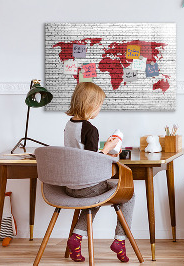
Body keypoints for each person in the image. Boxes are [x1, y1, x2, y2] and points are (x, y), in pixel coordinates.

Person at [64, 82, 134, 263]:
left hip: (70, 186)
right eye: (99, 105)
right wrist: (109, 148)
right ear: (90, 105)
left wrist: (104, 149)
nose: (99, 109)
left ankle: (76, 238)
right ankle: (120, 240)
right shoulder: (90, 129)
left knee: (94, 197)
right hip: (87, 186)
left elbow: (81, 154)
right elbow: (92, 160)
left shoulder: (69, 125)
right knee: (129, 194)